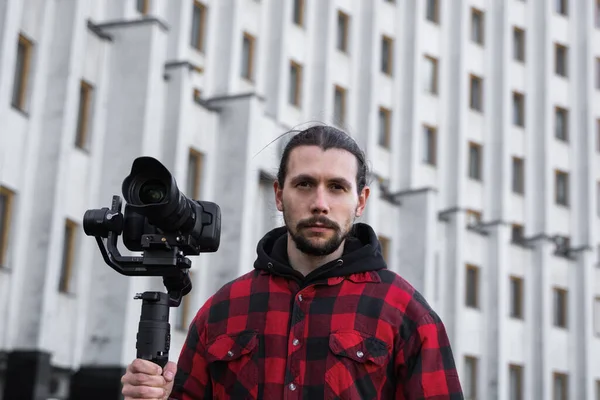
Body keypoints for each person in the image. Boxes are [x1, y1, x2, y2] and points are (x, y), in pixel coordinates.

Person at [121, 125, 463, 399]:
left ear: (360, 201)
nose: (320, 203)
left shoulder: (406, 314)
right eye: (304, 184)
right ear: (280, 195)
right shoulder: (223, 310)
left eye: (337, 188)